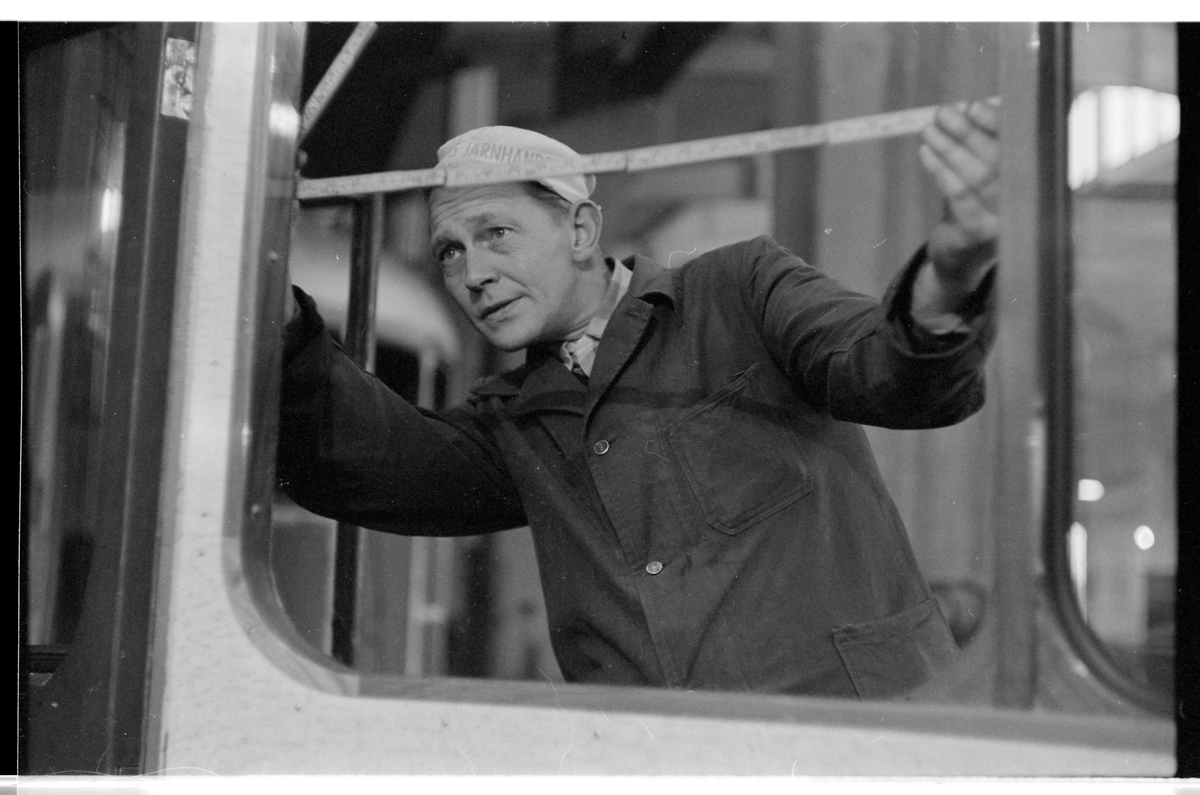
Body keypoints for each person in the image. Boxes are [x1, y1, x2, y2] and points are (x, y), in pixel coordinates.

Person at [277, 99, 1000, 699]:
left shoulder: (741, 291)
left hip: (862, 749)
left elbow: (889, 371)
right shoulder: (515, 421)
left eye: (496, 233)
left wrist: (954, 270)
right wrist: (267, 287)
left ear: (581, 230)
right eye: (450, 251)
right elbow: (365, 462)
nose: (474, 274)